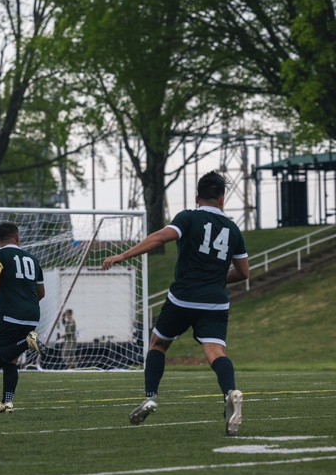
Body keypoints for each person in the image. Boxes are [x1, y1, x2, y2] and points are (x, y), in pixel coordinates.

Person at [101, 171, 250, 436]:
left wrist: (124, 254)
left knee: (158, 343)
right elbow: (242, 273)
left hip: (183, 297)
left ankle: (150, 396)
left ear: (197, 197)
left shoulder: (188, 217)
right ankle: (230, 391)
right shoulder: (233, 229)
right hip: (216, 302)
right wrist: (215, 278)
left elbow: (160, 237)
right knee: (215, 352)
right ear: (222, 198)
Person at [0, 222, 45, 413]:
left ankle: (28, 342)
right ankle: (7, 401)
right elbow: (41, 292)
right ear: (18, 238)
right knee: (11, 360)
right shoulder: (33, 259)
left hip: (10, 316)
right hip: (32, 315)